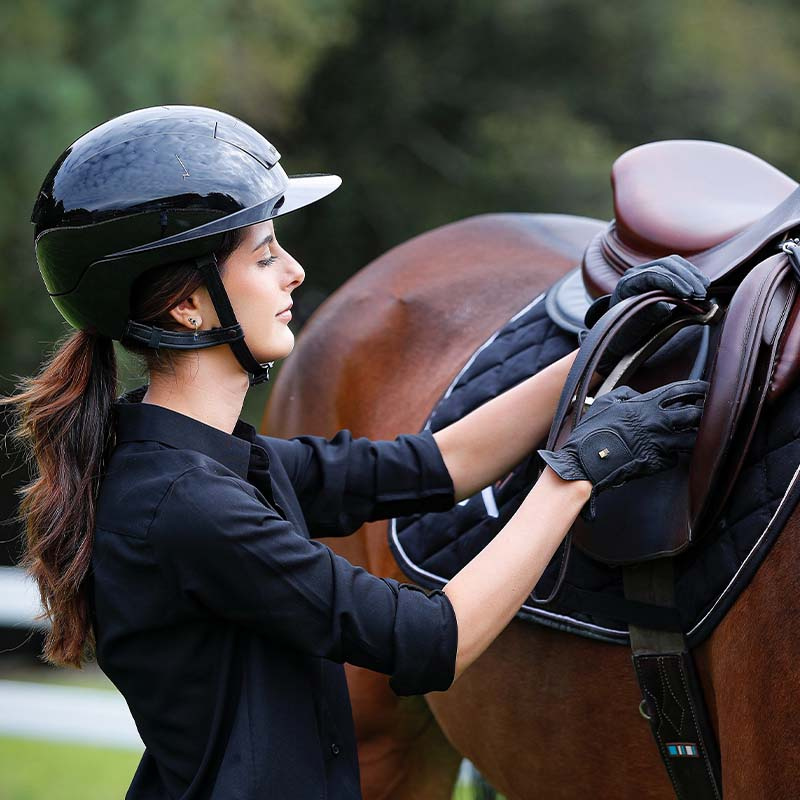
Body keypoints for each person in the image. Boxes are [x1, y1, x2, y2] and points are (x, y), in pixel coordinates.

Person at [5, 105, 708, 799]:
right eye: (265, 254)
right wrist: (576, 474)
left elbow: (439, 463)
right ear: (187, 306)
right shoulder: (189, 505)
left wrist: (600, 349)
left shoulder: (212, 464)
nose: (295, 272)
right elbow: (433, 637)